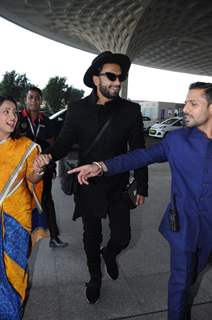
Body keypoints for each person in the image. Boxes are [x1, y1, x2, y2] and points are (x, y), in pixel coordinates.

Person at [68, 81, 212, 320]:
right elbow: (141, 156)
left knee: (192, 276)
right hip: (185, 227)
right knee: (180, 282)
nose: (185, 108)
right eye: (185, 102)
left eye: (193, 103)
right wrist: (101, 166)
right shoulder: (177, 141)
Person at [37, 51, 148, 304]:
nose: (118, 82)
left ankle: (109, 254)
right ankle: (94, 276)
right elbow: (63, 143)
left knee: (122, 237)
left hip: (118, 184)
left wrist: (142, 185)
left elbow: (139, 151)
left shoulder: (131, 111)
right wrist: (48, 156)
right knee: (91, 236)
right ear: (96, 78)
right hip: (89, 184)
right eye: (111, 76)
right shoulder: (77, 109)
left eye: (120, 77)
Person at [0, 96, 49, 319]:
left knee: (13, 273)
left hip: (15, 221)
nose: (12, 116)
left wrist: (39, 170)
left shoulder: (27, 147)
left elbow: (33, 178)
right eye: (6, 111)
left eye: (14, 112)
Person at [19, 87, 68, 248]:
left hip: (43, 169)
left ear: (41, 101)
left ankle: (54, 237)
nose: (34, 100)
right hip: (22, 170)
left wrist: (50, 164)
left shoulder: (48, 122)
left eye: (37, 98)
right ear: (26, 100)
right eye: (31, 97)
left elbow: (55, 145)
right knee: (23, 202)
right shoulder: (18, 120)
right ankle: (21, 238)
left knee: (47, 201)